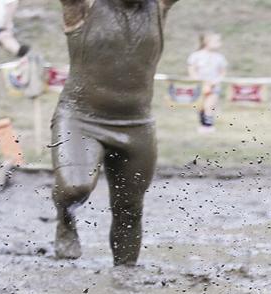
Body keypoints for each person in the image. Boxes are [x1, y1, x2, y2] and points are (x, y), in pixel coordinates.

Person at [51, 0, 182, 265]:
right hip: (81, 118)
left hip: (137, 124)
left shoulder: (158, 6)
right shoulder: (83, 5)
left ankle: (125, 279)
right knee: (75, 187)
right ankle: (65, 218)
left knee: (130, 209)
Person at [186, 31, 226, 134]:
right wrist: (201, 82)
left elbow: (222, 73)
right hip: (200, 86)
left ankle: (208, 126)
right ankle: (202, 124)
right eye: (216, 41)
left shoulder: (219, 57)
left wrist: (214, 82)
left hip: (213, 86)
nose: (219, 43)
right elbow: (192, 70)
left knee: (210, 106)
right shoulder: (196, 56)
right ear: (206, 41)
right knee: (201, 107)